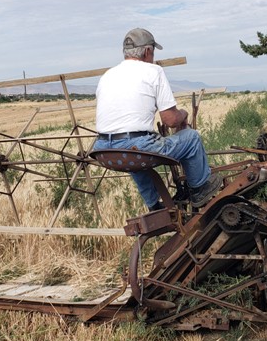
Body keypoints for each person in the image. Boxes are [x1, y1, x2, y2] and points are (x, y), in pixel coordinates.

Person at [93, 28, 222, 210]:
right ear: (147, 51)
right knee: (191, 138)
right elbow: (170, 120)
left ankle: (155, 207)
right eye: (153, 51)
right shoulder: (153, 71)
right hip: (134, 147)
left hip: (103, 150)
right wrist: (183, 114)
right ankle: (199, 189)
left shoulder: (107, 75)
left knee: (132, 158)